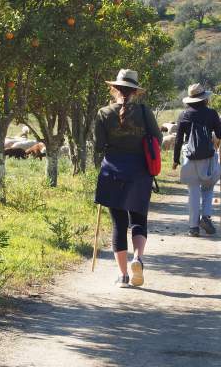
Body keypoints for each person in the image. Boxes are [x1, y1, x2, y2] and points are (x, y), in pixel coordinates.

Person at [94, 69, 162, 288]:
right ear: (136, 92)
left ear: (114, 89)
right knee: (139, 220)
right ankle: (137, 259)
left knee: (118, 223)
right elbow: (157, 139)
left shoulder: (103, 113)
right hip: (140, 172)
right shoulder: (144, 111)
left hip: (112, 171)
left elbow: (98, 146)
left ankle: (123, 276)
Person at [173, 84, 221, 237]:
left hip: (189, 157)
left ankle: (193, 227)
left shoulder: (183, 115)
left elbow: (178, 139)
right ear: (205, 99)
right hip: (207, 157)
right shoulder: (211, 113)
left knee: (193, 192)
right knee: (208, 188)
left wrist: (176, 160)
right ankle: (206, 217)